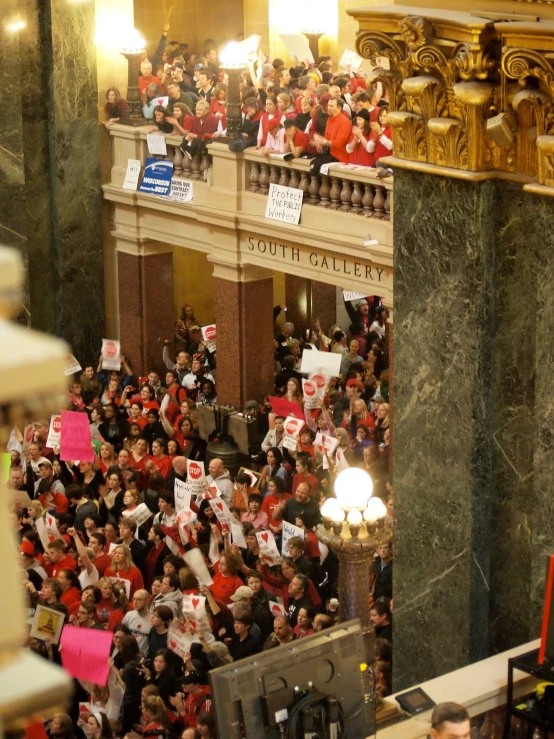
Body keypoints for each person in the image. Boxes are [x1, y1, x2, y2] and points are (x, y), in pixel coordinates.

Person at [122, 589, 152, 655]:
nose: (135, 602)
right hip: (128, 655)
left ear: (147, 601)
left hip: (143, 657)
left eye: (139, 599)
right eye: (134, 599)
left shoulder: (152, 619)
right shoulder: (129, 615)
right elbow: (121, 632)